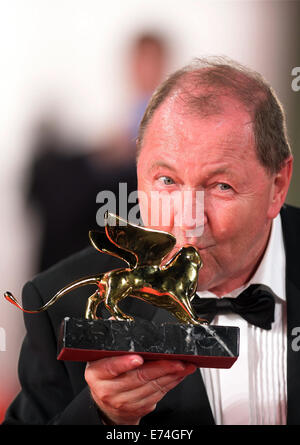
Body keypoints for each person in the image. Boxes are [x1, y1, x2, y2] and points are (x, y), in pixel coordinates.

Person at [3, 57, 300, 426]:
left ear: (278, 185)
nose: (189, 222)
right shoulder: (59, 305)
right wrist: (102, 417)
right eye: (166, 182)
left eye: (221, 186)